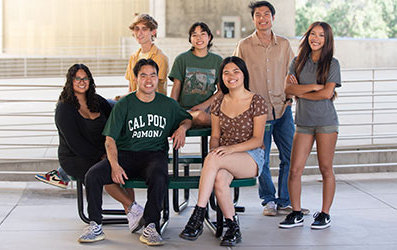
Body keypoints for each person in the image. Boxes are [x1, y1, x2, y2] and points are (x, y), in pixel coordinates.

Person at [78, 59, 192, 245]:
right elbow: (110, 139)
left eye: (153, 75)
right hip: (126, 154)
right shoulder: (125, 104)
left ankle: (151, 226)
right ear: (136, 78)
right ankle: (95, 225)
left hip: (154, 155)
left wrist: (182, 128)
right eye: (143, 75)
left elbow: (187, 118)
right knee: (93, 175)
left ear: (158, 79)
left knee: (160, 176)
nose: (149, 80)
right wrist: (114, 165)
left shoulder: (168, 104)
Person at [36, 64, 142, 229]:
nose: (81, 82)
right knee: (103, 170)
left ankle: (131, 213)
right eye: (77, 78)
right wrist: (104, 156)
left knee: (121, 164)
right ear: (70, 81)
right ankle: (134, 208)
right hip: (75, 157)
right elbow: (76, 144)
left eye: (85, 78)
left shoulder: (96, 100)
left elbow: (116, 116)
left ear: (90, 80)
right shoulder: (65, 108)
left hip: (103, 151)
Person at [179, 56, 267, 247]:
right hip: (224, 156)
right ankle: (233, 228)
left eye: (236, 71)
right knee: (219, 178)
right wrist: (217, 151)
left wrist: (227, 150)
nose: (231, 76)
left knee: (214, 159)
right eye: (226, 72)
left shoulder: (257, 101)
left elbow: (257, 140)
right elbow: (216, 136)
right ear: (222, 78)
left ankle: (198, 214)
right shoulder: (218, 103)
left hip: (250, 156)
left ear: (244, 74)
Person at [234, 0, 309, 216]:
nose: (262, 18)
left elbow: (293, 74)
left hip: (283, 109)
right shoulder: (244, 46)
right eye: (258, 15)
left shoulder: (284, 45)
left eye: (266, 14)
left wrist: (292, 97)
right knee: (262, 159)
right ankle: (268, 200)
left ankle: (285, 200)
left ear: (273, 18)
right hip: (258, 114)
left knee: (290, 156)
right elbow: (237, 76)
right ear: (254, 19)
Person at [279, 22, 340, 230]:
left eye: (321, 35)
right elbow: (287, 89)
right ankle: (296, 213)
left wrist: (300, 91)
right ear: (307, 37)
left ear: (327, 40)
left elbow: (327, 94)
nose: (316, 38)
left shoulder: (332, 64)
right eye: (313, 34)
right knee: (294, 170)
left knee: (325, 168)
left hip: (326, 123)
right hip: (303, 123)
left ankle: (325, 214)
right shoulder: (297, 62)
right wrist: (313, 87)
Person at [169, 22, 223, 126]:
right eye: (194, 35)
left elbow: (222, 91)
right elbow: (175, 89)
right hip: (185, 111)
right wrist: (173, 111)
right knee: (200, 117)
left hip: (208, 109)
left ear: (209, 37)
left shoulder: (217, 61)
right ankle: (227, 124)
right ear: (190, 39)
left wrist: (204, 105)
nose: (199, 38)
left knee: (203, 116)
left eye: (202, 34)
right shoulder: (182, 59)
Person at [125, 14, 169, 95]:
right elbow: (131, 88)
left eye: (144, 29)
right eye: (136, 29)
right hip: (134, 102)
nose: (139, 33)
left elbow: (151, 90)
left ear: (153, 32)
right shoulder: (133, 57)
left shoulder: (160, 58)